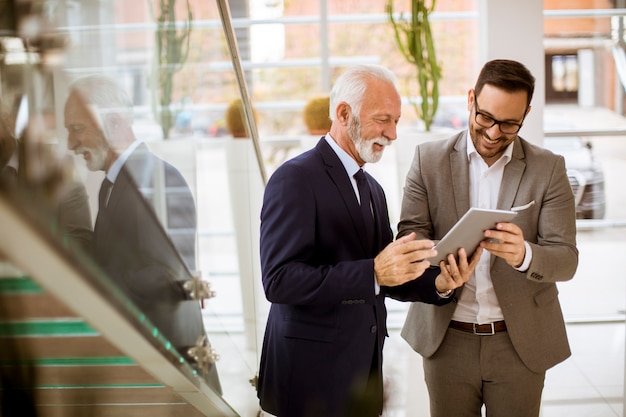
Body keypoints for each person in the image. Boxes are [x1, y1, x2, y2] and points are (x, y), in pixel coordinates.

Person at [257, 64, 482, 417]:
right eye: (383, 119)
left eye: (396, 120)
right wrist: (373, 273)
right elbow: (279, 281)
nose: (392, 133)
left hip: (362, 375)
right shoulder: (294, 178)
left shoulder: (372, 188)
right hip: (307, 378)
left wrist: (440, 283)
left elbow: (388, 274)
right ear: (344, 114)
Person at [397, 59, 579, 417]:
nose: (494, 133)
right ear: (471, 100)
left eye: (510, 124)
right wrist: (440, 279)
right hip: (447, 340)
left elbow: (567, 259)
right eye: (485, 118)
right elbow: (409, 238)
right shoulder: (427, 159)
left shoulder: (549, 168)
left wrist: (524, 254)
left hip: (519, 344)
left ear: (526, 114)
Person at [63, 74, 221, 393]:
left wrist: (92, 280)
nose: (70, 143)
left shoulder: (159, 179)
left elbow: (167, 275)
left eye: (77, 129)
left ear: (116, 122)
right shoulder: (116, 183)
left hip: (174, 379)